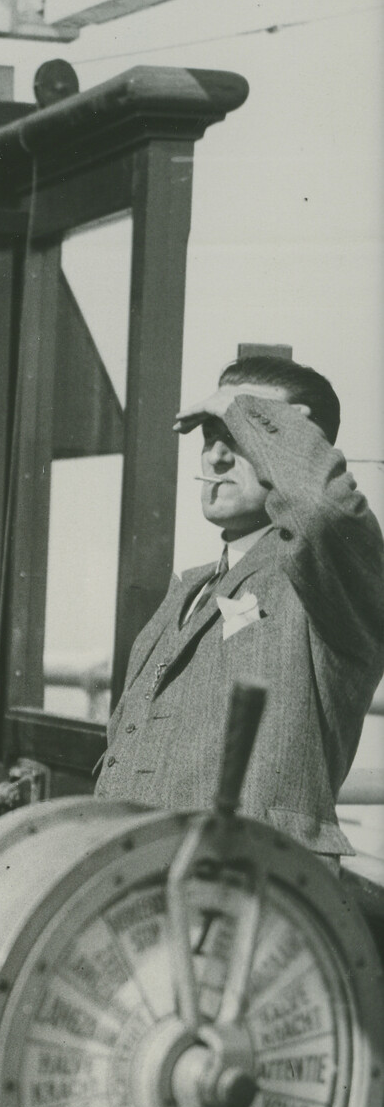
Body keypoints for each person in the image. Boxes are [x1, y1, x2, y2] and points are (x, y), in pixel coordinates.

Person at [96, 355, 384, 857]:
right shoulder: (188, 591)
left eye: (239, 434)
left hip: (253, 894)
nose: (216, 456)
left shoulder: (330, 581)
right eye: (210, 434)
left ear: (302, 441)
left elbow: (321, 509)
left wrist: (246, 410)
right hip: (143, 889)